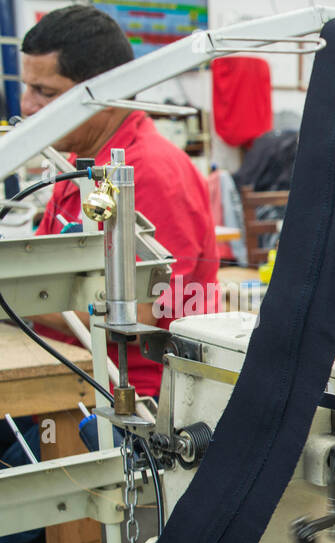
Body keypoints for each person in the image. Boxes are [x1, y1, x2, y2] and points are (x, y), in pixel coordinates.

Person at [21, 4, 217, 398]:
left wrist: (15, 299)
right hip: (72, 372)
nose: (27, 105)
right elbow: (37, 275)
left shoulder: (148, 174)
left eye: (45, 92)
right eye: (28, 87)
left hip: (137, 400)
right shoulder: (79, 164)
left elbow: (138, 316)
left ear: (105, 94)